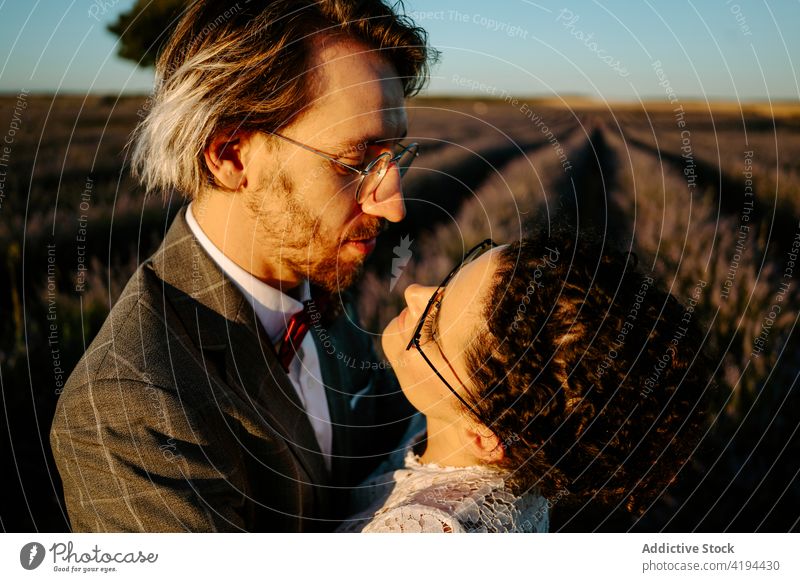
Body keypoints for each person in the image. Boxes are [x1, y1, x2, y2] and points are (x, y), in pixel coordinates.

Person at [50, 0, 435, 532]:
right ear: (231, 155)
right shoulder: (130, 406)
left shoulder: (315, 286)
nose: (392, 205)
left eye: (394, 157)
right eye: (357, 161)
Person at [337, 226, 713, 532]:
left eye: (432, 329)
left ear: (483, 434)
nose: (413, 292)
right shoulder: (523, 468)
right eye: (448, 282)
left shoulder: (420, 537)